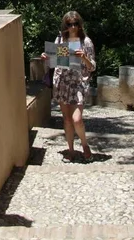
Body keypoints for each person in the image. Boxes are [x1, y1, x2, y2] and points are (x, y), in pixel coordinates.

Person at [42, 11, 96, 161]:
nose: (73, 27)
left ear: (80, 24)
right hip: (62, 82)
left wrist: (83, 57)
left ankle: (85, 145)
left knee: (77, 119)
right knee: (66, 119)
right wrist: (47, 58)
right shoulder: (61, 40)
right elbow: (56, 63)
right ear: (65, 25)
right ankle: (71, 151)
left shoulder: (86, 42)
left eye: (75, 24)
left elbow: (92, 67)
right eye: (69, 24)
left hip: (78, 83)